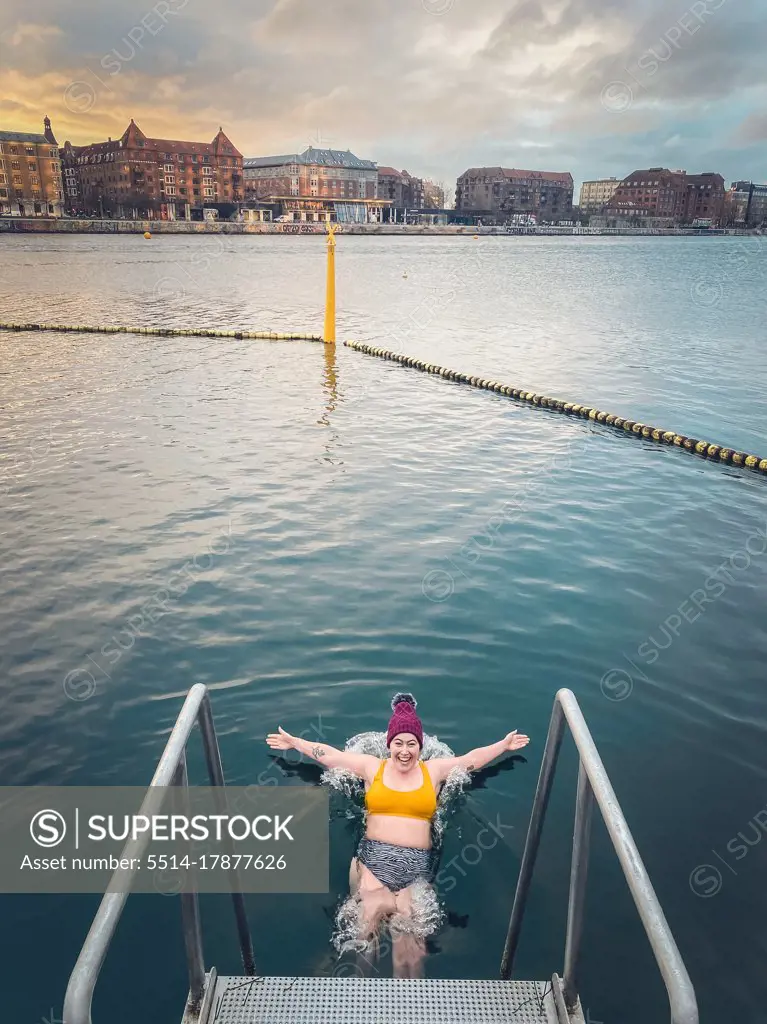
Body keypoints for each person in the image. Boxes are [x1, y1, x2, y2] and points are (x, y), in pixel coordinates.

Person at [266, 693, 530, 977]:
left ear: (420, 746)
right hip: (372, 865)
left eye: (412, 744)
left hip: (416, 872)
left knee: (409, 948)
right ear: (389, 745)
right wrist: (295, 743)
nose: (405, 751)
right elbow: (330, 755)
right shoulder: (372, 767)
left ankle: (408, 1007)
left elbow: (471, 760)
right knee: (364, 935)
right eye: (399, 743)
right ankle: (357, 1000)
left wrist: (503, 746)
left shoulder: (433, 771)